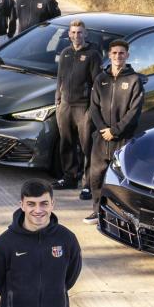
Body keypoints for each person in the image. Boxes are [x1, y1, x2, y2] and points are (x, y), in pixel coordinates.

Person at [83, 39, 143, 220]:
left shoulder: (134, 81)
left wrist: (115, 131)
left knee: (119, 180)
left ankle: (118, 215)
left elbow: (134, 112)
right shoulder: (101, 79)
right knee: (96, 176)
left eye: (121, 53)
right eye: (114, 53)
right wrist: (103, 129)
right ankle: (97, 210)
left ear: (127, 55)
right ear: (109, 55)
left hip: (122, 140)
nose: (118, 56)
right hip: (101, 138)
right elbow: (93, 107)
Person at [52, 19, 101, 190]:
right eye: (73, 32)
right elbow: (60, 78)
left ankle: (88, 184)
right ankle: (69, 177)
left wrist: (92, 108)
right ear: (69, 34)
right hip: (65, 105)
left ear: (85, 33)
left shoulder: (92, 55)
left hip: (83, 107)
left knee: (87, 145)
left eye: (79, 32)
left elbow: (96, 83)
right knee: (66, 143)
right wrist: (58, 98)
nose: (76, 35)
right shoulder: (65, 53)